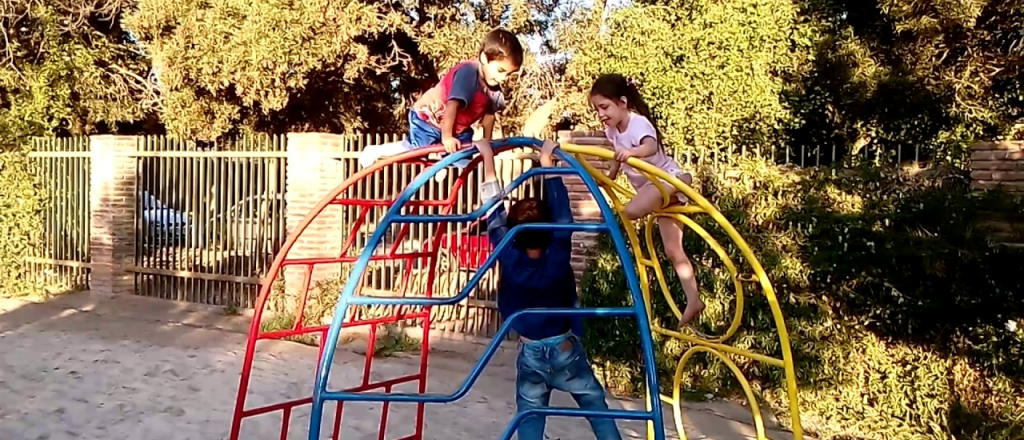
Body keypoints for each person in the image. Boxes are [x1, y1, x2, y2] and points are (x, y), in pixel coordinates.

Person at [479, 140, 622, 440]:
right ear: (550, 231)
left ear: (515, 235)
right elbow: (563, 215)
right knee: (595, 404)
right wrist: (548, 165)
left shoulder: (509, 254)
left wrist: (488, 160)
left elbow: (494, 215)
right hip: (564, 348)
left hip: (530, 349)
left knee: (530, 414)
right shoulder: (558, 251)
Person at [590, 73, 705, 329]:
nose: (601, 114)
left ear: (622, 102)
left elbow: (650, 148)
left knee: (631, 211)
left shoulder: (638, 123)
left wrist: (632, 153)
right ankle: (694, 299)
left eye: (604, 107)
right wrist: (608, 175)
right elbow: (615, 160)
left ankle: (682, 179)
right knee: (673, 251)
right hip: (657, 193)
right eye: (597, 109)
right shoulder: (612, 131)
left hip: (663, 181)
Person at [358, 28, 524, 181]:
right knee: (417, 149)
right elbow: (452, 105)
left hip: (457, 128)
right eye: (500, 71)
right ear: (483, 58)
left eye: (508, 74)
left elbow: (489, 117)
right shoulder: (468, 73)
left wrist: (487, 142)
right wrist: (446, 137)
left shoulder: (495, 90)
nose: (503, 78)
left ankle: (440, 160)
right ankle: (375, 151)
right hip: (428, 118)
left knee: (464, 159)